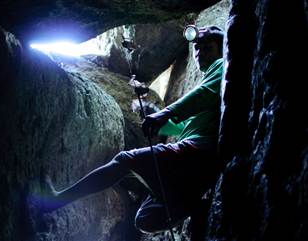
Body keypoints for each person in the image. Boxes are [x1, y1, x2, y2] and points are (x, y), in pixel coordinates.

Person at [32, 25, 225, 234]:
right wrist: (158, 117)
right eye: (197, 48)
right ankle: (190, 204)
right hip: (195, 162)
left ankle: (56, 201)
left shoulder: (222, 64)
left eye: (207, 47)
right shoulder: (211, 79)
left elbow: (204, 93)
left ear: (222, 50)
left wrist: (163, 114)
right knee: (144, 219)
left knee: (126, 160)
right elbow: (182, 125)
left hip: (196, 153)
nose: (199, 52)